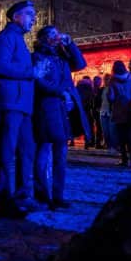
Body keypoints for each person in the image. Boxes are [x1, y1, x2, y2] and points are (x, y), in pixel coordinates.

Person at [0, 0, 38, 218]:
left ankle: (20, 195)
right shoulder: (6, 38)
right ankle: (3, 198)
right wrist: (31, 71)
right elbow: (0, 66)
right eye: (29, 14)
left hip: (22, 105)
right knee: (6, 152)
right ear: (16, 16)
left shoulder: (18, 39)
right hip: (10, 103)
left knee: (26, 151)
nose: (33, 18)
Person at [31, 26, 87, 209]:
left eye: (57, 34)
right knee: (45, 148)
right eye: (53, 35)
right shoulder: (39, 57)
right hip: (47, 107)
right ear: (44, 39)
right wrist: (59, 92)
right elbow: (39, 81)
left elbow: (79, 64)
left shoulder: (61, 56)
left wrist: (70, 45)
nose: (57, 37)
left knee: (61, 152)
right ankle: (41, 193)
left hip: (62, 109)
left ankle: (58, 195)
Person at [106, 61, 131, 166]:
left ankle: (124, 158)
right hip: (130, 109)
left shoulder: (113, 80)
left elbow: (111, 97)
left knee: (121, 136)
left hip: (119, 110)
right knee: (130, 134)